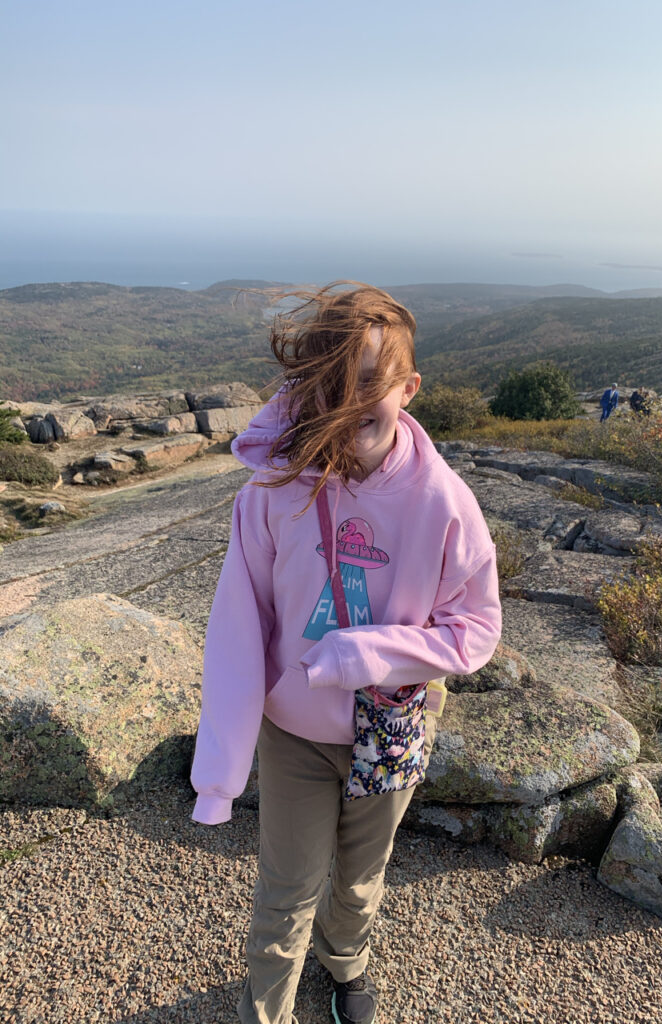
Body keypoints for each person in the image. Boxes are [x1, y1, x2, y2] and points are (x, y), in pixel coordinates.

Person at [190, 282, 502, 1024]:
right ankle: (263, 1009)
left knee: (360, 882)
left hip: (392, 723)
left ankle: (346, 962)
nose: (353, 400)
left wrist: (372, 656)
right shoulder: (273, 490)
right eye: (334, 381)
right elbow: (239, 628)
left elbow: (477, 629)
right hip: (294, 734)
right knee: (285, 888)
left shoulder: (445, 503)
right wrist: (219, 775)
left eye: (372, 380)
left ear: (410, 387)